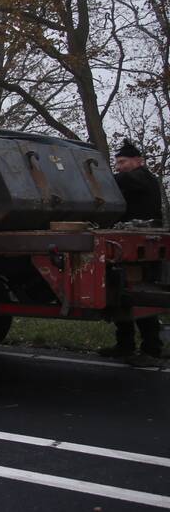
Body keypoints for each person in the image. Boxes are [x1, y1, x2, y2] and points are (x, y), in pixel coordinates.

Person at [98, 140, 164, 362]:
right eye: (117, 162)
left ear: (139, 161)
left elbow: (120, 181)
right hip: (130, 241)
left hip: (139, 243)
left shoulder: (141, 178)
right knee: (123, 295)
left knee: (138, 296)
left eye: (123, 161)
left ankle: (151, 349)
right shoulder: (135, 179)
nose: (119, 166)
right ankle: (125, 344)